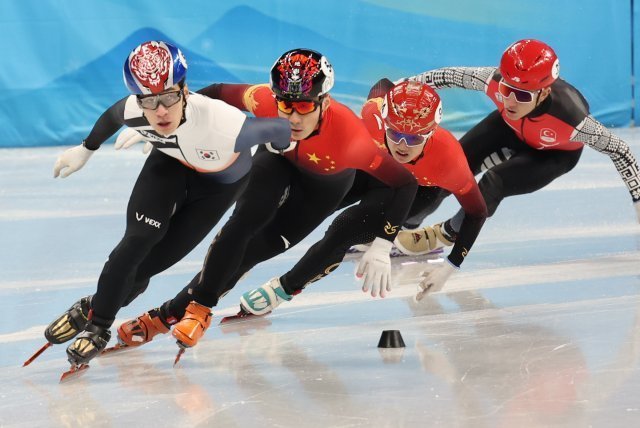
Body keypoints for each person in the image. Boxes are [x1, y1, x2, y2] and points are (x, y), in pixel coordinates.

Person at [114, 48, 418, 353]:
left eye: (304, 106)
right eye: (286, 105)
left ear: (324, 102)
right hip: (277, 160)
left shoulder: (353, 140)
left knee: (254, 251)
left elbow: (405, 183)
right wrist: (165, 125)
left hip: (321, 190)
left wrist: (383, 243)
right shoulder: (261, 99)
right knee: (243, 222)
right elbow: (212, 95)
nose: (294, 118)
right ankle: (190, 310)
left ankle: (171, 310)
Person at [38, 40, 292, 368]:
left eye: (169, 97)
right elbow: (114, 115)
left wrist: (282, 147)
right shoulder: (136, 110)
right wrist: (86, 148)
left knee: (147, 267)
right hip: (169, 166)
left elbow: (279, 128)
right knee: (136, 243)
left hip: (216, 188)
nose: (160, 111)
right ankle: (98, 325)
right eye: (149, 100)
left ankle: (92, 305)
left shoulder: (225, 124)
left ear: (185, 90)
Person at [392, 38, 640, 298]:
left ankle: (445, 234)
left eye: (521, 95)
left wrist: (637, 200)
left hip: (551, 155)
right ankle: (403, 223)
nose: (509, 100)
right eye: (506, 90)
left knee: (493, 182)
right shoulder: (494, 80)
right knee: (445, 169)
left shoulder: (574, 119)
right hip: (508, 130)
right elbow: (448, 76)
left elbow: (620, 151)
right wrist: (401, 88)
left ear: (544, 92)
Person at [238, 79, 488, 316]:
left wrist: (451, 266)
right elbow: (382, 85)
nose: (402, 144)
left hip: (416, 191)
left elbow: (477, 212)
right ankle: (248, 256)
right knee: (309, 201)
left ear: (431, 133)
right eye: (395, 133)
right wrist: (405, 94)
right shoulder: (374, 114)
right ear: (385, 121)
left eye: (413, 138)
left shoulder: (450, 162)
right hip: (375, 170)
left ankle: (283, 288)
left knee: (342, 231)